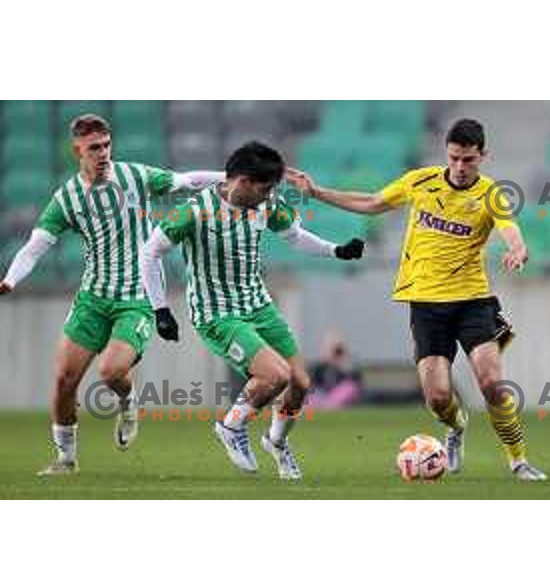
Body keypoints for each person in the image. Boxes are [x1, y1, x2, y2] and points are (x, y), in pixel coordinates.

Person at [286, 118, 547, 481]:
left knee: (490, 382)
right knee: (439, 397)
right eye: (454, 157)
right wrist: (317, 192)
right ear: (447, 152)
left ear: (483, 156)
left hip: (474, 300)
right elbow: (373, 201)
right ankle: (456, 427)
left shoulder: (490, 194)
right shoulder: (419, 181)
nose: (459, 167)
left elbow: (509, 227)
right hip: (426, 305)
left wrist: (518, 249)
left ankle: (518, 460)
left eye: (468, 160)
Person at [0, 113, 225, 475]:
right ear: (78, 151)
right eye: (94, 148)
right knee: (63, 380)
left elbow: (188, 181)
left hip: (136, 296)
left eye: (106, 145)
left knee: (110, 372)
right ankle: (66, 459)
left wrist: (234, 178)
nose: (103, 153)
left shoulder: (134, 176)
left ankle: (128, 399)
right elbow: (35, 247)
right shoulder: (67, 199)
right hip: (93, 298)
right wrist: (9, 281)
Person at [141, 141, 365, 480]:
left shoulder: (265, 203)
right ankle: (232, 426)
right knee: (276, 375)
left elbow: (294, 236)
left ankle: (275, 441)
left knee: (301, 383)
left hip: (259, 305)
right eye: (264, 188)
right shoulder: (193, 211)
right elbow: (149, 252)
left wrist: (337, 251)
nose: (268, 195)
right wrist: (159, 308)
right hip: (217, 314)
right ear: (242, 181)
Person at [310, 333, 362, 410]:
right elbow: (314, 383)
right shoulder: (321, 366)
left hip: (339, 394)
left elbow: (356, 382)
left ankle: (329, 405)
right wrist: (326, 360)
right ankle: (326, 405)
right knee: (312, 394)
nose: (335, 353)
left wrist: (343, 362)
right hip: (323, 394)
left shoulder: (348, 364)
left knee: (349, 387)